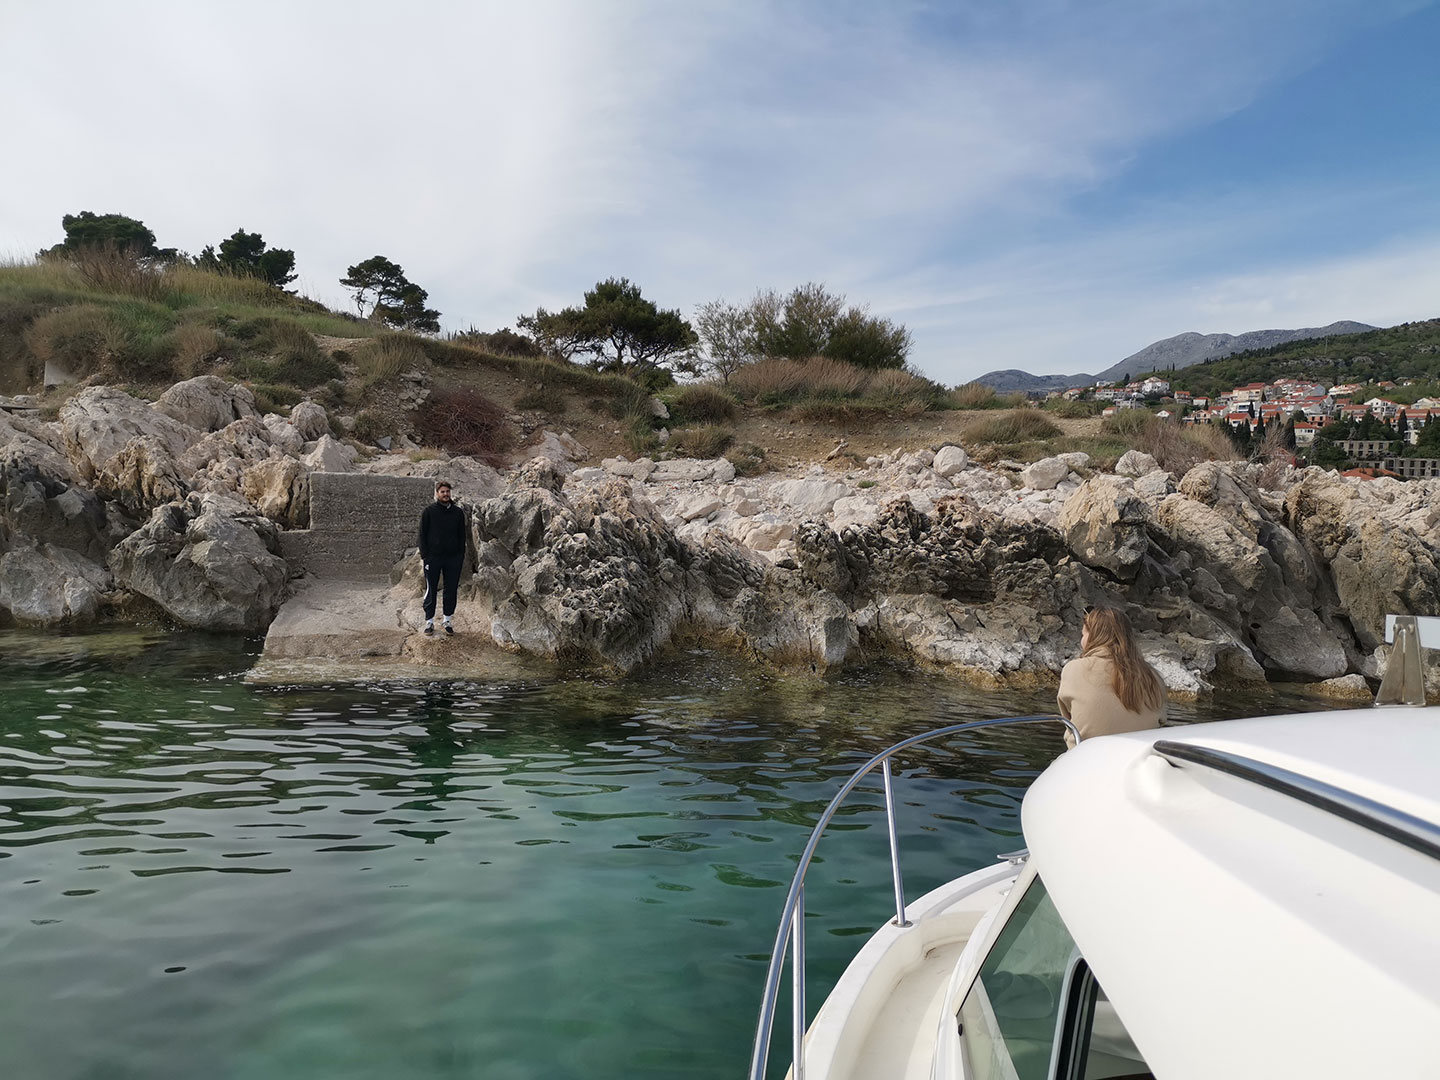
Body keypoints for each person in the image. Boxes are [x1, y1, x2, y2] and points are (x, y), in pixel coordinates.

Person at [1058, 607, 1166, 747]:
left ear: (1093, 636)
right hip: (1137, 756)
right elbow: (1161, 720)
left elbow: (1069, 718)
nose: (1082, 640)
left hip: (1086, 754)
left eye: (1083, 635)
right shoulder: (1153, 676)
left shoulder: (1074, 669)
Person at [417, 480, 468, 636]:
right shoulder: (428, 512)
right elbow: (422, 534)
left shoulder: (458, 513)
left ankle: (447, 620)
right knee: (431, 589)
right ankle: (429, 621)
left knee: (451, 589)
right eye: (442, 492)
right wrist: (425, 555)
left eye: (447, 491)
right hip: (433, 558)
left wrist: (460, 555)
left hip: (453, 558)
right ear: (437, 493)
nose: (445, 494)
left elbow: (462, 535)